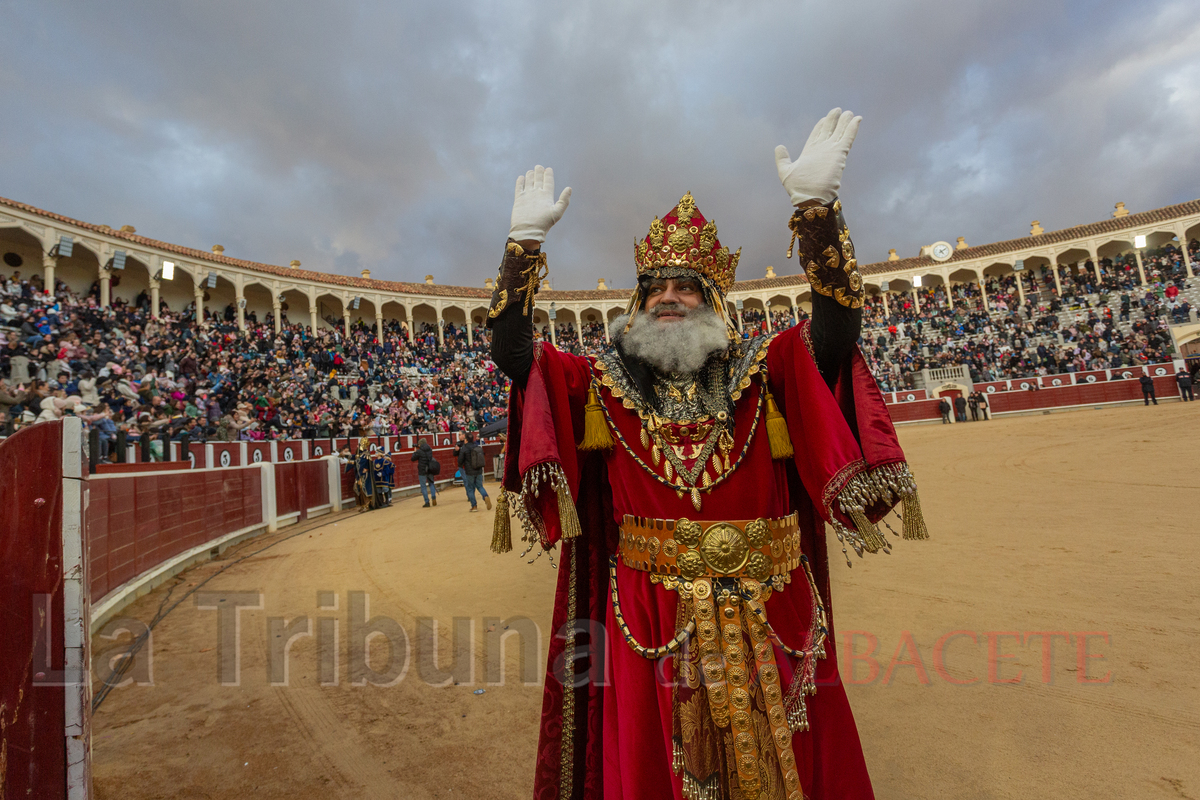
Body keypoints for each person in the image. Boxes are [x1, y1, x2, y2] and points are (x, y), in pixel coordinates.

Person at [488, 109, 928, 799]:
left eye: (687, 286)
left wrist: (816, 214)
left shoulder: (768, 366)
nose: (670, 297)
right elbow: (516, 358)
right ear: (638, 305)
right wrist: (521, 249)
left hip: (773, 604)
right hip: (652, 613)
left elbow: (838, 334)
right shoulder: (599, 384)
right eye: (656, 287)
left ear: (715, 303)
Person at [455, 431, 491, 512]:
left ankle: (474, 506)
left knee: (470, 488)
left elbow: (460, 461)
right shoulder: (476, 446)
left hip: (469, 471)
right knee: (480, 486)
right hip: (478, 470)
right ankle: (485, 496)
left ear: (466, 440)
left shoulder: (464, 448)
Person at [411, 437, 438, 507]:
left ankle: (427, 502)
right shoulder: (430, 449)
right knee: (431, 483)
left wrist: (415, 451)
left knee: (423, 486)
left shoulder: (419, 451)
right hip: (430, 469)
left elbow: (413, 458)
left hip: (422, 470)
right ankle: (433, 497)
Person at [350, 437, 376, 512]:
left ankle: (366, 505)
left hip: (365, 475)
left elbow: (368, 464)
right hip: (359, 474)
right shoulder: (360, 454)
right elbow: (358, 463)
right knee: (358, 489)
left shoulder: (366, 454)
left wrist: (367, 469)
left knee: (364, 489)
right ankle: (362, 505)